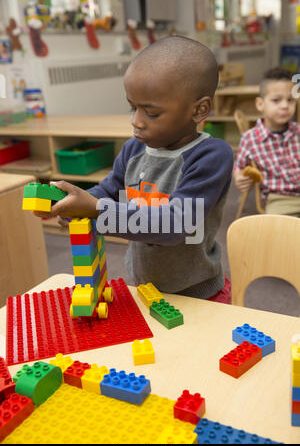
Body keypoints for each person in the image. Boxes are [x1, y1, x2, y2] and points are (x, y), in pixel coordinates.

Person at [34, 35, 234, 302]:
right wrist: (69, 203)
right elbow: (108, 191)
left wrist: (94, 209)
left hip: (196, 292)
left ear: (199, 110)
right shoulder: (133, 148)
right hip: (143, 285)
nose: (136, 122)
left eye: (151, 113)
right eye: (132, 107)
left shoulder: (211, 156)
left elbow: (177, 224)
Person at [234, 67, 300, 216]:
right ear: (260, 104)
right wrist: (239, 178)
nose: (284, 105)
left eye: (290, 100)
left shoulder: (298, 132)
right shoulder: (250, 138)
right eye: (276, 100)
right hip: (278, 199)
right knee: (280, 232)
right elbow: (238, 167)